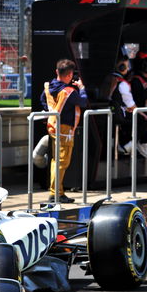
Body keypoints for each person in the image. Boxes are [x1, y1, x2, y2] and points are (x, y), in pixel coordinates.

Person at [40, 59, 87, 204]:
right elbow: (83, 102)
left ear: (56, 72)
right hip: (65, 130)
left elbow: (43, 100)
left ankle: (58, 192)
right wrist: (82, 88)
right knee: (61, 162)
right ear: (70, 74)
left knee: (56, 161)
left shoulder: (48, 86)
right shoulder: (69, 92)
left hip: (53, 126)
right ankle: (55, 194)